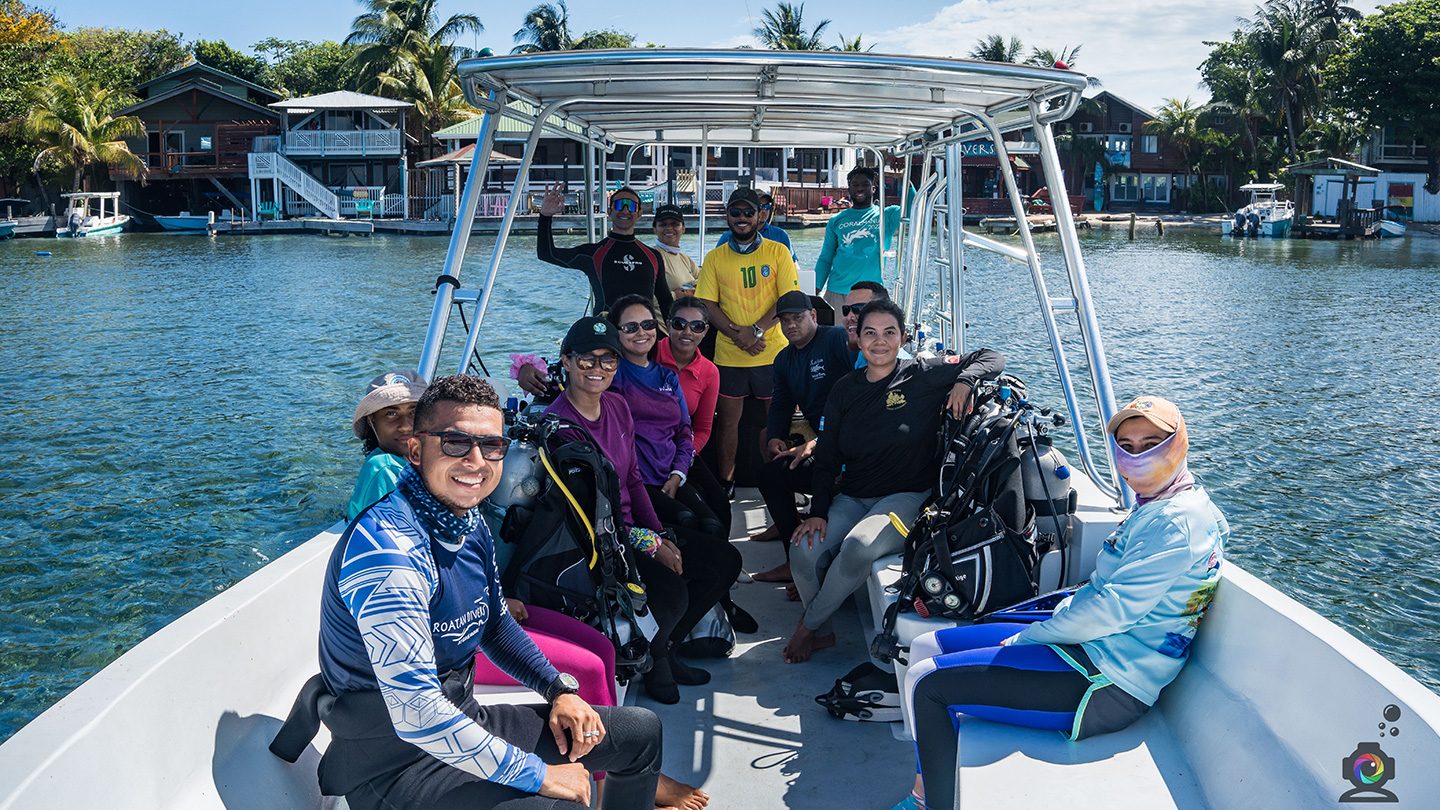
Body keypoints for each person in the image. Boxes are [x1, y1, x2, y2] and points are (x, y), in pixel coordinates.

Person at [316, 374, 664, 809]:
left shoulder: (466, 522)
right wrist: (537, 776)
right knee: (560, 804)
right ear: (416, 449)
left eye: (492, 446)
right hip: (393, 764)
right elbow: (416, 714)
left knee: (641, 732)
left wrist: (558, 689)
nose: (476, 461)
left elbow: (495, 626)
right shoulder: (390, 553)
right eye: (455, 442)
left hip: (463, 718)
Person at [895, 396, 1227, 810]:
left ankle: (930, 804)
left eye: (1151, 443)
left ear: (1179, 444)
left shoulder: (1175, 523)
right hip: (1085, 647)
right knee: (929, 646)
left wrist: (1031, 637)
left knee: (929, 685)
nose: (1137, 456)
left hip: (1107, 682)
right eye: (1127, 445)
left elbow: (1111, 610)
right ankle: (927, 785)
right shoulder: (1167, 505)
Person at [786, 300, 1004, 663]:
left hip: (907, 497)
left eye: (890, 333)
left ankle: (807, 627)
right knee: (803, 551)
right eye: (870, 333)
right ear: (857, 337)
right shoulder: (844, 389)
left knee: (857, 545)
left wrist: (964, 381)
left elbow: (991, 357)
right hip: (854, 496)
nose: (880, 341)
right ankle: (821, 628)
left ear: (903, 337)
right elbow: (827, 459)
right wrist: (818, 511)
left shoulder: (921, 373)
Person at [543, 317, 741, 705]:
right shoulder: (561, 427)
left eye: (608, 361)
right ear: (566, 361)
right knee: (672, 592)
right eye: (587, 360)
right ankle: (658, 658)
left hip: (633, 527)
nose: (598, 369)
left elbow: (633, 479)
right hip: (599, 543)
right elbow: (587, 513)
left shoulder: (616, 405)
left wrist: (660, 535)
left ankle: (663, 645)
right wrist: (649, 544)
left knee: (725, 561)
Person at [695, 187, 801, 491]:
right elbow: (707, 304)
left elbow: (787, 297)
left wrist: (755, 331)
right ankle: (726, 482)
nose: (742, 218)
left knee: (777, 423)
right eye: (735, 212)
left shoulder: (778, 251)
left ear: (760, 216)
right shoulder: (715, 257)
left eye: (748, 213)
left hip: (773, 352)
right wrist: (737, 334)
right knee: (728, 422)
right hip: (730, 354)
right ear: (727, 215)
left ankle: (779, 485)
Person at [749, 291, 855, 589]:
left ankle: (810, 560)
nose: (791, 325)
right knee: (769, 473)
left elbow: (862, 385)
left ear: (814, 316)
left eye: (797, 318)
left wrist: (821, 441)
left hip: (848, 443)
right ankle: (793, 556)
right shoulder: (784, 359)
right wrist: (775, 438)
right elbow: (781, 403)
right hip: (821, 442)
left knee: (777, 475)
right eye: (785, 320)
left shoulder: (835, 339)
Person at [655, 297, 731, 540]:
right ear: (667, 325)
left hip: (682, 451)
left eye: (696, 326)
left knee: (720, 503)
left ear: (706, 330)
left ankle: (722, 557)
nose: (687, 332)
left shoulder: (709, 371)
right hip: (646, 450)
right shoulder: (648, 355)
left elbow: (704, 427)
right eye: (679, 324)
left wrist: (683, 459)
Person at [537, 184, 673, 317]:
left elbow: (665, 301)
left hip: (644, 333)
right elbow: (547, 254)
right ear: (609, 212)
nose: (625, 210)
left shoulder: (653, 256)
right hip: (605, 333)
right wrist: (545, 216)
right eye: (619, 205)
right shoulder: (593, 254)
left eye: (631, 206)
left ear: (639, 214)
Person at [815, 167, 901, 313]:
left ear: (873, 188)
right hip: (838, 291)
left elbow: (915, 207)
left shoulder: (887, 216)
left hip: (872, 294)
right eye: (855, 185)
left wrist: (901, 175)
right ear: (849, 189)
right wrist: (814, 290)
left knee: (870, 334)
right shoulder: (836, 220)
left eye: (865, 184)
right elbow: (826, 258)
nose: (859, 188)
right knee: (838, 335)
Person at [347, 370, 427, 520]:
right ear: (372, 421)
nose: (405, 426)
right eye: (391, 413)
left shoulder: (424, 464)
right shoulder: (383, 469)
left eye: (414, 411)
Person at [840, 281, 911, 367]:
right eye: (846, 310)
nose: (849, 317)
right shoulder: (863, 355)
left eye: (858, 309)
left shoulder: (907, 371)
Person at [716, 191, 796, 263]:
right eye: (760, 206)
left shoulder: (781, 235)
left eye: (767, 206)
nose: (764, 211)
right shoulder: (727, 238)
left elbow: (793, 264)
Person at [651, 204, 701, 300]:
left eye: (675, 224)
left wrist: (687, 289)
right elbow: (643, 297)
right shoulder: (651, 257)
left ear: (683, 229)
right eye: (663, 224)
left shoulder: (685, 259)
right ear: (655, 229)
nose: (669, 228)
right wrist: (675, 295)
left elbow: (705, 279)